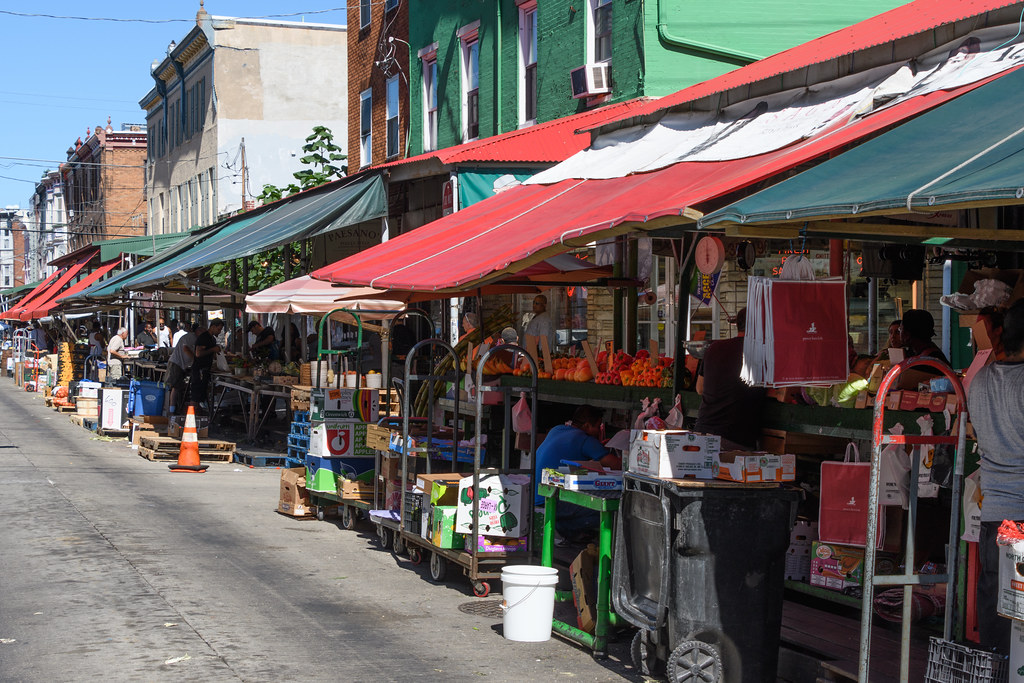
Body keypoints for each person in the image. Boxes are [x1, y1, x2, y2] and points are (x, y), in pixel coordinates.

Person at [968, 299, 1024, 655]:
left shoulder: (980, 381)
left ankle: (993, 674)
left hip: (995, 517)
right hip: (1022, 515)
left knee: (998, 605)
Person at [534, 404, 609, 542]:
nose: (599, 431)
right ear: (586, 425)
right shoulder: (584, 439)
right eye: (597, 426)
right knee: (608, 511)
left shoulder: (557, 429)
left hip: (536, 496)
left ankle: (562, 531)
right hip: (549, 500)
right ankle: (563, 530)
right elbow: (614, 463)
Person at [695, 308, 766, 450]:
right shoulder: (761, 353)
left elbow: (700, 388)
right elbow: (778, 393)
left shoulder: (714, 348)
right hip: (734, 438)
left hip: (702, 432)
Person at [191, 319, 225, 407]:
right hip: (200, 370)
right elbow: (198, 353)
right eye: (219, 329)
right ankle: (193, 417)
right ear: (213, 327)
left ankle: (201, 415)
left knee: (202, 394)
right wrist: (213, 349)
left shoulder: (212, 339)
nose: (220, 331)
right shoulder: (204, 337)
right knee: (196, 396)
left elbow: (212, 354)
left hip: (206, 369)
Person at [166, 323, 197, 413]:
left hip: (180, 364)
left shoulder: (190, 336)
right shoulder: (192, 337)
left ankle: (175, 408)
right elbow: (186, 349)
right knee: (175, 386)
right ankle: (172, 410)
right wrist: (196, 360)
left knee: (178, 386)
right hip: (177, 363)